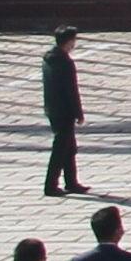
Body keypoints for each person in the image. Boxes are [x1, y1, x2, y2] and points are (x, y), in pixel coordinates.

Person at [42, 28, 89, 197]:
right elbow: (71, 90)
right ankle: (50, 184)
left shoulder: (49, 59)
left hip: (52, 108)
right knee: (61, 149)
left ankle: (71, 182)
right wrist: (78, 113)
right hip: (65, 111)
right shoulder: (65, 62)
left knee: (69, 147)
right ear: (68, 41)